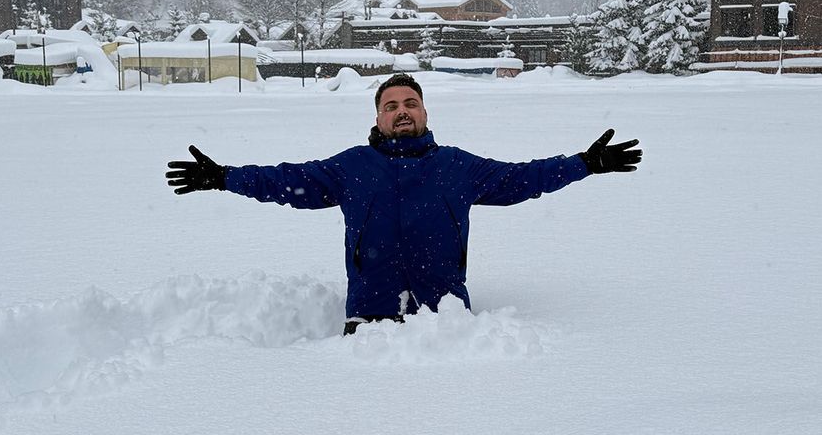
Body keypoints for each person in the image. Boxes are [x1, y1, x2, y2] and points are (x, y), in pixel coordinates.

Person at [166, 73, 642, 335]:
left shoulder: (458, 166)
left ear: (425, 112)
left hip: (446, 324)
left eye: (410, 103)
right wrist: (224, 177)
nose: (401, 111)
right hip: (368, 321)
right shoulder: (351, 167)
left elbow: (523, 178)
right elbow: (285, 181)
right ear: (377, 117)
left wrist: (584, 164)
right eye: (391, 106)